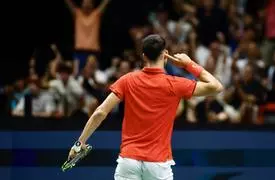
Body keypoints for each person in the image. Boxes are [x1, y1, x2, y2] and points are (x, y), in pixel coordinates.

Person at [66, 34, 223, 180]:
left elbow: (100, 112)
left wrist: (79, 144)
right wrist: (189, 65)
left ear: (143, 56)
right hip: (159, 166)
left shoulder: (127, 80)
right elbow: (216, 86)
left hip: (129, 162)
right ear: (165, 53)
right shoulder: (175, 84)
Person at [64, 0, 110, 72]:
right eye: (85, 3)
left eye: (89, 3)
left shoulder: (96, 15)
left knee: (93, 75)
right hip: (79, 52)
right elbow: (69, 3)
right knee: (77, 74)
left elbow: (105, 3)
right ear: (81, 4)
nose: (86, 5)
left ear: (92, 5)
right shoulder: (77, 14)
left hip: (93, 52)